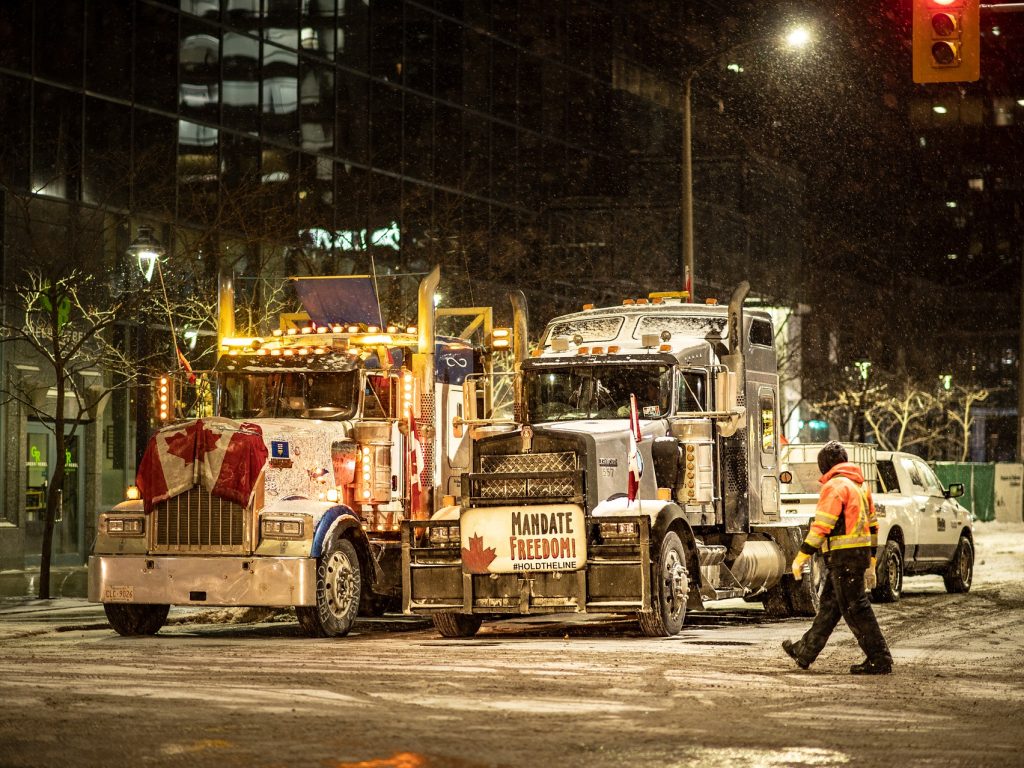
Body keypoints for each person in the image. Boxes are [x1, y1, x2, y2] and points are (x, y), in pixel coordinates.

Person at [782, 441, 893, 674]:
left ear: (825, 465)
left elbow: (822, 526)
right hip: (857, 555)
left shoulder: (834, 486)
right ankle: (805, 651)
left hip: (844, 558)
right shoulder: (860, 486)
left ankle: (879, 658)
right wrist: (871, 562)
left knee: (856, 608)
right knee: (831, 607)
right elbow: (873, 526)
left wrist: (801, 557)